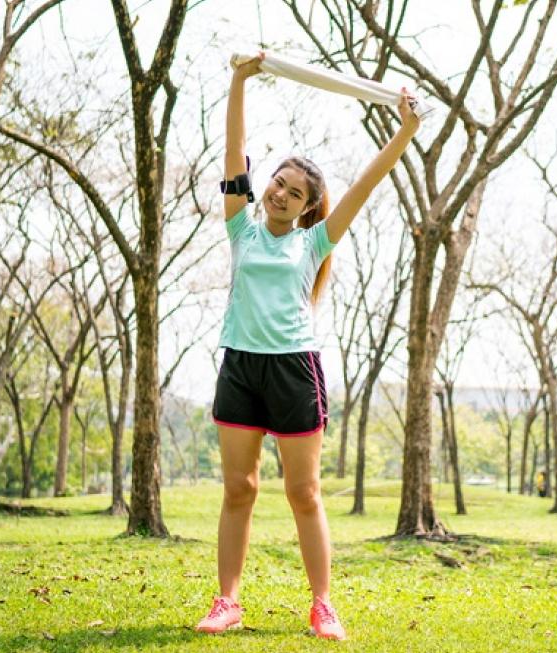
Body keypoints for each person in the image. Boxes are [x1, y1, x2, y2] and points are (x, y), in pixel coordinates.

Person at [194, 51, 420, 641]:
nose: (281, 194)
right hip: (240, 366)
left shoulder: (314, 242)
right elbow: (232, 144)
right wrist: (241, 79)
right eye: (278, 183)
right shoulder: (239, 224)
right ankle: (228, 600)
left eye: (295, 193)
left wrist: (405, 132)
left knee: (304, 492)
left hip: (295, 370)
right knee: (239, 488)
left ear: (306, 207)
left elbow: (367, 186)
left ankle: (323, 604)